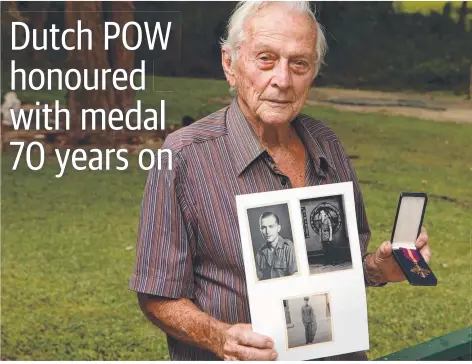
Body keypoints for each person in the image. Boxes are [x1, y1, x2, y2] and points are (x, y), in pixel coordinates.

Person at [128, 1, 431, 361]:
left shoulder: (326, 145)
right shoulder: (183, 157)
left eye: (298, 63)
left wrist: (378, 269)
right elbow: (156, 295)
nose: (283, 80)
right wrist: (219, 336)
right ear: (230, 64)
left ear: (313, 72)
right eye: (266, 59)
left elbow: (339, 269)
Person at [254, 212, 297, 280]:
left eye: (271, 226)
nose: (267, 231)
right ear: (260, 230)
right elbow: (257, 279)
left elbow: (296, 276)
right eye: (263, 227)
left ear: (278, 228)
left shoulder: (289, 247)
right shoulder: (260, 253)